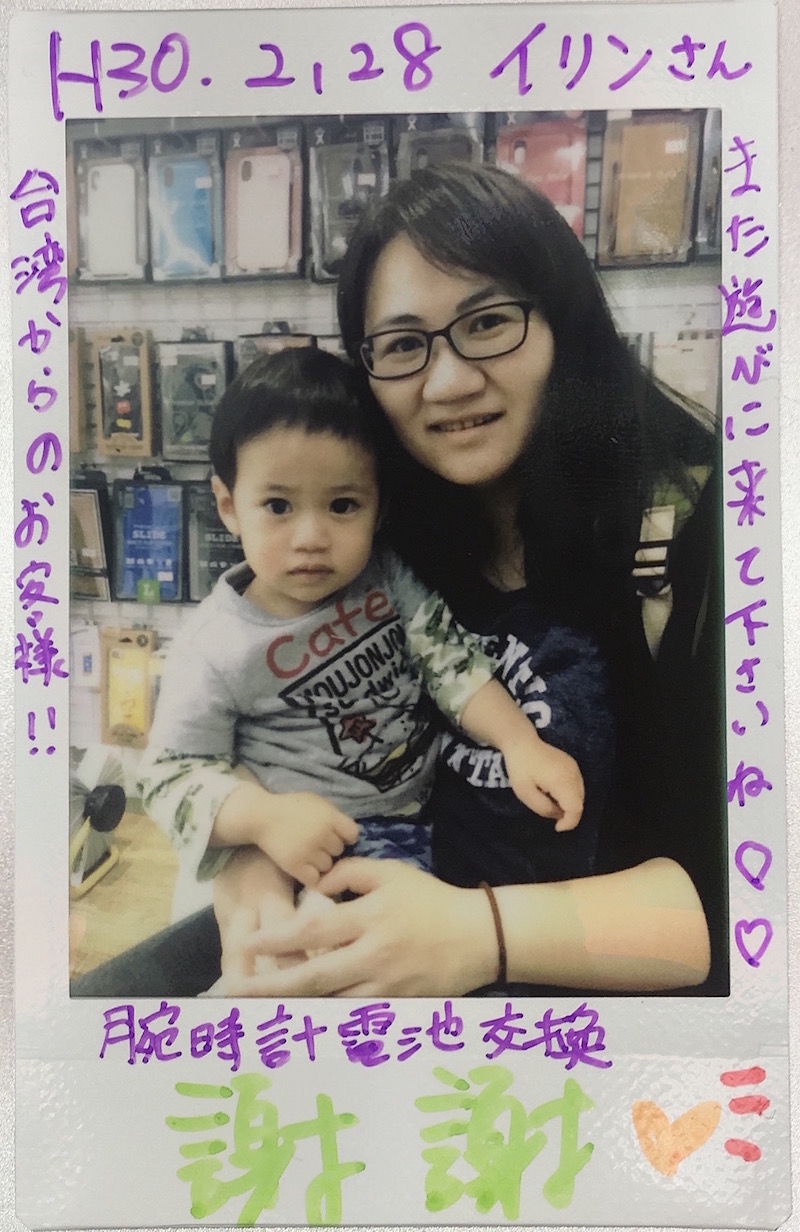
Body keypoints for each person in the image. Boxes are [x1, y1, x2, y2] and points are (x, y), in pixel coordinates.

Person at [73, 162, 722, 999]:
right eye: (404, 344)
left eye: (489, 322)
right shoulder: (376, 531)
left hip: (566, 984)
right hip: (346, 901)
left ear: (562, 320)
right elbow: (230, 739)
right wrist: (250, 858)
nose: (447, 382)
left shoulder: (695, 536)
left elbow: (749, 907)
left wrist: (479, 934)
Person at [137, 346, 590, 969]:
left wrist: (519, 742)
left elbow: (448, 661)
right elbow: (168, 775)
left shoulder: (385, 576)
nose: (311, 538)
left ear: (380, 507)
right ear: (227, 505)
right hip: (315, 852)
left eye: (343, 505)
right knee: (324, 971)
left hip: (427, 819)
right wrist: (263, 819)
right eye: (278, 506)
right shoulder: (214, 646)